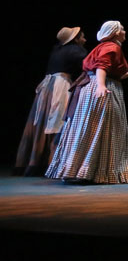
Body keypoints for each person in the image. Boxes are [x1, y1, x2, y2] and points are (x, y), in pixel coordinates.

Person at [45, 21, 128, 184]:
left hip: (92, 86)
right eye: (122, 29)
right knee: (102, 128)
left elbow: (106, 70)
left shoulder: (103, 46)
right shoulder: (112, 47)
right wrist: (101, 85)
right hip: (100, 88)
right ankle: (91, 171)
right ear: (115, 33)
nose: (125, 32)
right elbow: (101, 67)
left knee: (89, 127)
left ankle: (78, 169)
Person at [14, 27, 88, 176]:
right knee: (58, 122)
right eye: (82, 37)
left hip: (46, 86)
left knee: (42, 122)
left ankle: (35, 163)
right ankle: (53, 163)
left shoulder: (57, 50)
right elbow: (89, 64)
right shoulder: (75, 50)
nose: (84, 40)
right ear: (75, 39)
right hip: (59, 86)